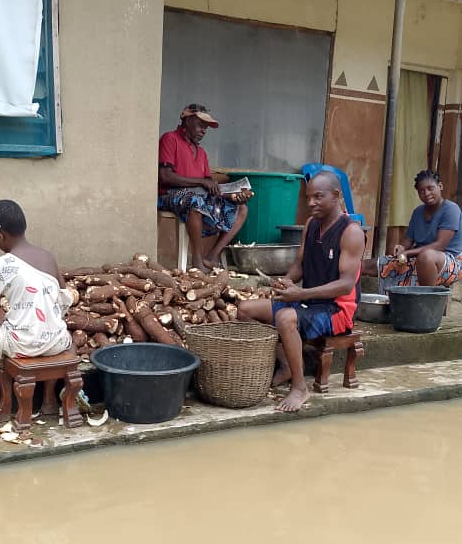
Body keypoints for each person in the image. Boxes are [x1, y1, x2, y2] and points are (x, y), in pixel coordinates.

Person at [238, 171, 365, 413]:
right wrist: (286, 281)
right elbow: (300, 264)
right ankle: (286, 364)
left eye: (318, 197)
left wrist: (300, 294)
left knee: (286, 318)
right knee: (245, 310)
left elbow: (346, 284)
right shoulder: (311, 224)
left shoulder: (351, 232)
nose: (311, 203)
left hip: (336, 310)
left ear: (336, 196)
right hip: (308, 302)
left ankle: (300, 387)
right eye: (308, 197)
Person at [158, 103, 247, 271]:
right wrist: (201, 182)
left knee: (241, 208)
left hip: (197, 196)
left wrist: (233, 196)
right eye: (200, 125)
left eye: (206, 127)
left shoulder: (202, 153)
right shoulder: (170, 139)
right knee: (195, 201)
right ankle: (196, 261)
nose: (204, 130)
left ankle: (212, 256)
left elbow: (209, 187)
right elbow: (165, 176)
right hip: (168, 195)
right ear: (187, 120)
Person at [0, 200, 72, 368]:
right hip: (57, 342)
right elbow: (65, 300)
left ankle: (7, 385)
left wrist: (0, 318)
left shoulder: (2, 265)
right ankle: (49, 394)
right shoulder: (48, 257)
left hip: (22, 346)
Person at [363, 169, 462, 290]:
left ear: (440, 186)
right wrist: (402, 248)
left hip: (449, 262)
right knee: (367, 265)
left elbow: (440, 245)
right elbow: (408, 240)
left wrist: (408, 253)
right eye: (421, 191)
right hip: (418, 259)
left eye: (430, 188)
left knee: (426, 257)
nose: (426, 193)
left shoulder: (451, 209)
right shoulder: (418, 212)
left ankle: (425, 301)